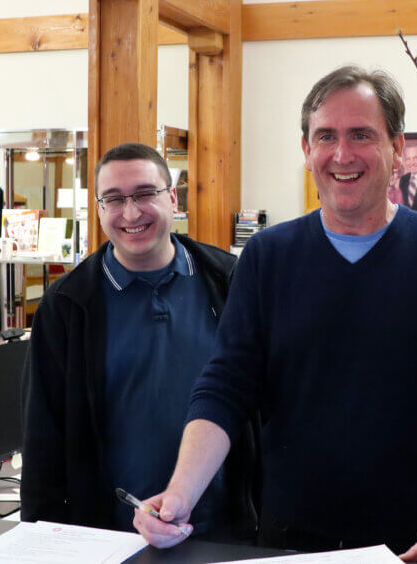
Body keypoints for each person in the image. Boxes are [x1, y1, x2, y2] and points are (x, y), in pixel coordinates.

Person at [134, 66, 417, 563]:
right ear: (306, 149)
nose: (342, 154)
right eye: (325, 136)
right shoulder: (267, 257)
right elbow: (226, 386)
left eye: (361, 135)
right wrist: (180, 494)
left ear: (397, 148)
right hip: (290, 535)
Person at [20, 142, 258, 540]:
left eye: (145, 194)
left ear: (172, 197)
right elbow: (42, 438)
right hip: (112, 537)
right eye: (113, 200)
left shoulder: (228, 282)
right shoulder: (67, 306)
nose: (131, 213)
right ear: (98, 210)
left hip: (225, 531)